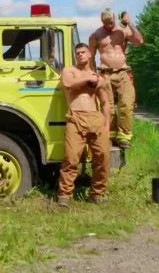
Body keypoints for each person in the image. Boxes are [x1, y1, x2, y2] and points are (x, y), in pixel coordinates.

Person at [57, 43, 110, 207]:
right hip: (76, 117)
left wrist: (107, 124)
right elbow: (68, 84)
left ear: (89, 55)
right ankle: (65, 195)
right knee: (71, 158)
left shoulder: (97, 77)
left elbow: (105, 101)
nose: (80, 55)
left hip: (96, 119)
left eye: (83, 52)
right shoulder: (69, 71)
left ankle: (97, 194)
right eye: (77, 53)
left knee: (102, 158)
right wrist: (89, 79)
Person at [88, 8, 144, 149]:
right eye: (107, 23)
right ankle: (110, 136)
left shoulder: (123, 31)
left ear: (114, 19)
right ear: (102, 21)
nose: (110, 26)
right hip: (105, 73)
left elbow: (139, 41)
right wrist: (93, 74)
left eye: (111, 22)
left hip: (123, 72)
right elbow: (91, 56)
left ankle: (124, 137)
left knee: (126, 104)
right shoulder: (96, 35)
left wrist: (130, 23)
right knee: (108, 108)